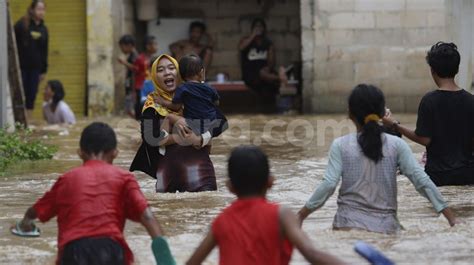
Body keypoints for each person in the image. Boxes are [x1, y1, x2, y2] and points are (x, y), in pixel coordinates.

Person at [297, 84, 457, 234]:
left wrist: (301, 216)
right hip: (386, 229)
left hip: (346, 226)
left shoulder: (340, 145)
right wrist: (451, 219)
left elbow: (328, 184)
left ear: (350, 113)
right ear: (382, 114)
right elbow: (421, 181)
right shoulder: (397, 145)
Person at [10, 122, 175, 265]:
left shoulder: (67, 179)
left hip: (73, 251)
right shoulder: (124, 178)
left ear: (80, 153)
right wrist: (166, 261)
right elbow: (147, 217)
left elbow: (35, 211)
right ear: (115, 153)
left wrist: (24, 224)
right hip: (112, 250)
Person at [186, 146, 345, 265]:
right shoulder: (282, 215)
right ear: (271, 181)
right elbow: (312, 254)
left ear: (229, 187)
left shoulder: (221, 221)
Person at [382, 42, 474, 186]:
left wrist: (394, 125)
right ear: (457, 69)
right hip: (468, 175)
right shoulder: (471, 100)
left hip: (438, 176)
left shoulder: (429, 101)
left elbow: (424, 139)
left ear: (432, 70)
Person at [130, 55, 218, 192]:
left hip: (200, 170)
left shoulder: (196, 95)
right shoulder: (151, 105)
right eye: (160, 70)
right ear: (154, 76)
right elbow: (149, 138)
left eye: (172, 68)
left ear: (180, 73)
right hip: (168, 174)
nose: (167, 72)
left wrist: (199, 139)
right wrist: (178, 138)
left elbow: (216, 125)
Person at [154, 54, 227, 142]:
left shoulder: (182, 88)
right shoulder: (209, 88)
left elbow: (176, 106)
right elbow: (216, 103)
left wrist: (163, 102)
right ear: (201, 72)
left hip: (193, 125)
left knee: (169, 117)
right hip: (211, 124)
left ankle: (162, 138)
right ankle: (204, 140)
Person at [239, 18, 288, 113]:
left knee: (266, 82)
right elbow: (241, 47)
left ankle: (278, 79)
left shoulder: (268, 43)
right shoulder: (246, 40)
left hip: (264, 72)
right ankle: (280, 78)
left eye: (261, 26)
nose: (259, 28)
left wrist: (268, 68)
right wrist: (253, 35)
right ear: (252, 28)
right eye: (256, 26)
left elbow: (271, 61)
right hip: (250, 72)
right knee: (262, 76)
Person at [14, 0, 48, 114]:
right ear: (32, 10)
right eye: (39, 9)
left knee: (31, 94)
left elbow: (44, 51)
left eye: (43, 9)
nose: (41, 12)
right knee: (20, 94)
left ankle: (28, 120)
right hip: (21, 68)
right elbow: (12, 44)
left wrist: (43, 70)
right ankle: (18, 120)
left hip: (35, 69)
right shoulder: (22, 24)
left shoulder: (44, 29)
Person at [131, 35, 158, 119]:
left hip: (152, 85)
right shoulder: (140, 58)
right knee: (141, 107)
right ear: (148, 46)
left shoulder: (154, 58)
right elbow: (135, 73)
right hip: (141, 86)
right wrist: (134, 90)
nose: (156, 47)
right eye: (154, 44)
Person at [118, 34, 139, 118]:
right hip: (129, 83)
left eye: (122, 47)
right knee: (128, 107)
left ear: (129, 45)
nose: (121, 49)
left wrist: (124, 62)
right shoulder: (131, 55)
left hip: (132, 85)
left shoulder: (135, 56)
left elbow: (136, 69)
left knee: (130, 107)